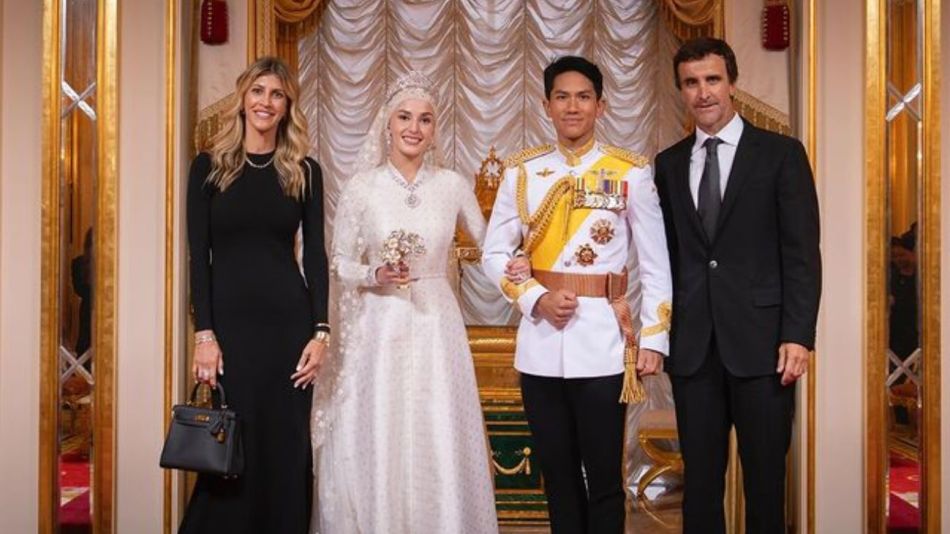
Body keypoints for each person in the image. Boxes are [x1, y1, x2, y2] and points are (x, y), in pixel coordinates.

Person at [311, 71, 522, 534]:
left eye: (425, 119)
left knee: (435, 424)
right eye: (405, 117)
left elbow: (490, 249)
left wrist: (517, 266)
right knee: (382, 425)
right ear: (387, 124)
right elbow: (339, 262)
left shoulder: (451, 185)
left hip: (435, 321)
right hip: (378, 324)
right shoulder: (362, 187)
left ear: (434, 129)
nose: (414, 127)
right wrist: (375, 273)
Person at [482, 56, 673, 534]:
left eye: (583, 96)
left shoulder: (629, 172)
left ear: (601, 105)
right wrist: (532, 298)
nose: (573, 106)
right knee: (559, 476)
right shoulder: (522, 173)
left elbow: (655, 265)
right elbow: (493, 254)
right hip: (542, 345)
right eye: (562, 96)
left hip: (605, 347)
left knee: (605, 477)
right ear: (547, 105)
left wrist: (653, 339)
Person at [653, 37, 821, 533]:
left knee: (766, 484)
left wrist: (798, 334)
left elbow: (802, 255)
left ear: (732, 83)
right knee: (700, 486)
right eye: (691, 83)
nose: (703, 93)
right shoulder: (666, 163)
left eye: (712, 80)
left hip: (765, 348)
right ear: (680, 90)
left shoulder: (782, 155)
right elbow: (666, 260)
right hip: (693, 350)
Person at [182, 56, 328, 534]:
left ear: (288, 107)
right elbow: (197, 260)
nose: (267, 102)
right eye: (259, 91)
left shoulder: (303, 170)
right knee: (232, 446)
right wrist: (204, 333)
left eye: (277, 95)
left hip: (289, 327)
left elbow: (316, 258)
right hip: (232, 330)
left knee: (285, 446)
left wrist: (320, 332)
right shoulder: (207, 168)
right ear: (243, 99)